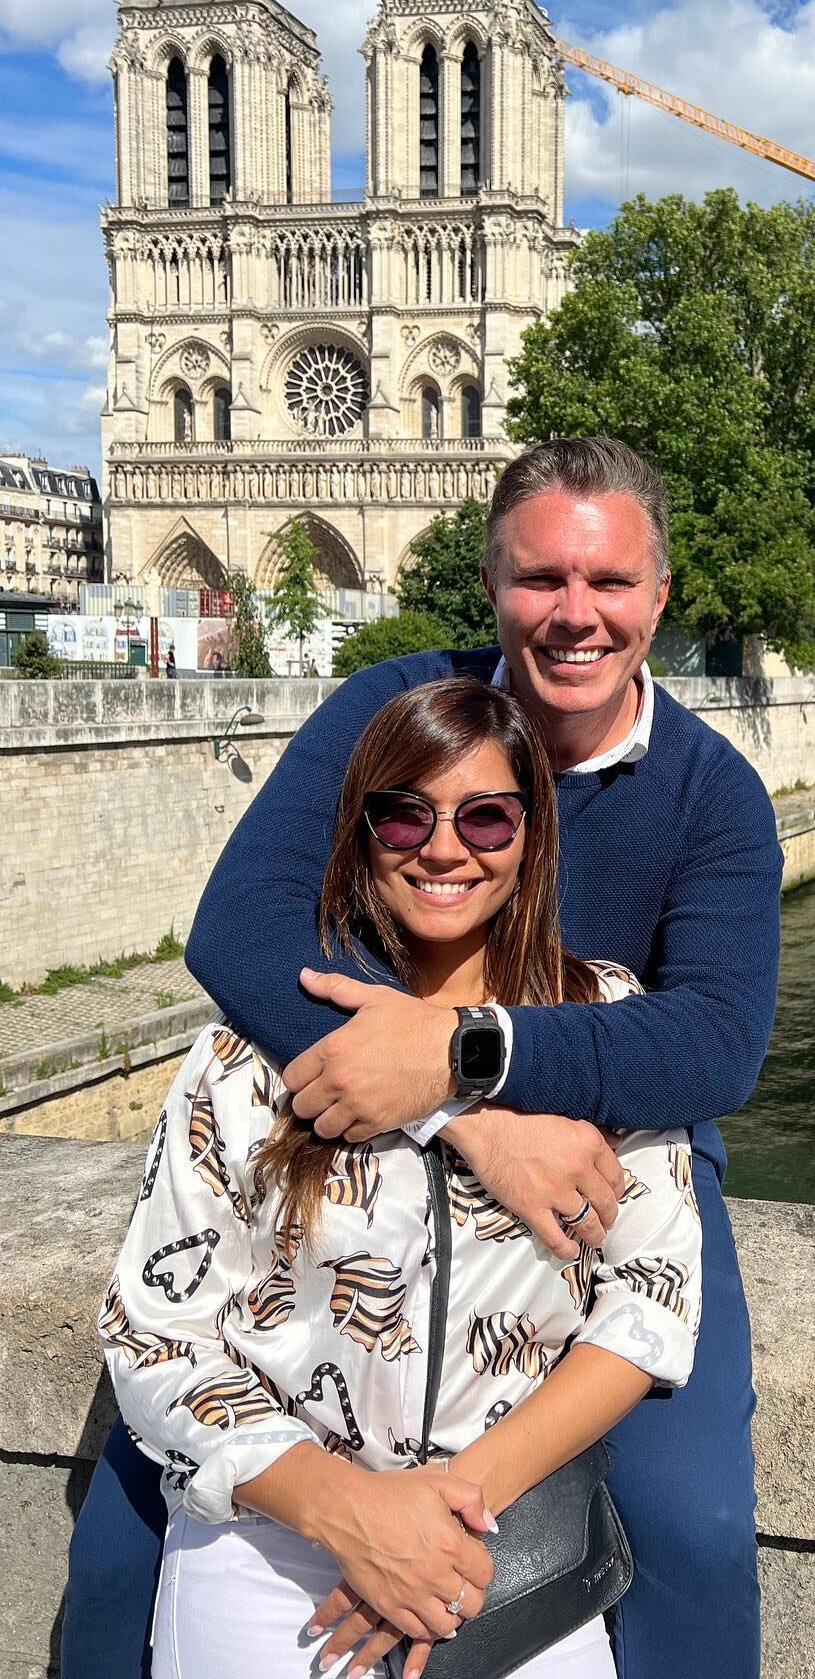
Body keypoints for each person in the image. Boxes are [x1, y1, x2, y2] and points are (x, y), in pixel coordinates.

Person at [63, 436, 781, 1679]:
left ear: (660, 596)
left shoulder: (711, 793)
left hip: (613, 1139)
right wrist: (461, 1113)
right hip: (360, 1097)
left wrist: (465, 1058)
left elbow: (715, 1043)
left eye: (609, 583)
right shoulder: (398, 713)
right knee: (122, 1530)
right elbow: (238, 927)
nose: (574, 614)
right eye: (538, 578)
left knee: (698, 1531)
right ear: (490, 583)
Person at [98, 676, 701, 1679]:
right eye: (403, 814)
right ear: (360, 829)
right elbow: (153, 1332)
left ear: (534, 834)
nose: (444, 846)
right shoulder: (249, 1053)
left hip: (504, 1546)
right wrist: (353, 1515)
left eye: (488, 815)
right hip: (269, 1544)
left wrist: (447, 1512)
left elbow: (650, 1298)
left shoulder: (599, 1024)